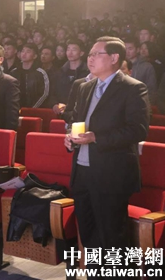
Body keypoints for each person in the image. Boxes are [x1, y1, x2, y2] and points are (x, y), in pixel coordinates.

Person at [65, 37, 150, 275]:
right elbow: (78, 122)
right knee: (88, 234)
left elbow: (138, 130)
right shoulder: (85, 87)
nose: (90, 58)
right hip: (82, 171)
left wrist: (96, 138)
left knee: (112, 236)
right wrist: (70, 138)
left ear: (114, 58)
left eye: (96, 54)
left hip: (111, 174)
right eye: (90, 54)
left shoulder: (133, 88)